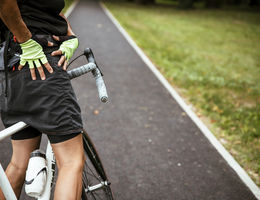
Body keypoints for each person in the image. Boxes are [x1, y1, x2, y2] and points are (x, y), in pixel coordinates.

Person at [0, 0, 85, 199]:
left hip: (8, 67)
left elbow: (43, 8)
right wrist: (26, 41)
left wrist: (68, 34)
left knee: (19, 163)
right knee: (71, 161)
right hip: (39, 61)